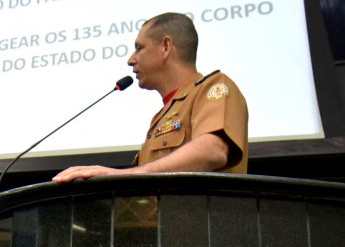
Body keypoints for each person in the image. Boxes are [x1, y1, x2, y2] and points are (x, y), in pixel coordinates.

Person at [53, 12, 248, 183]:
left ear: (165, 46)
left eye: (139, 48)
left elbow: (213, 151)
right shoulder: (163, 115)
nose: (131, 60)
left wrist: (121, 176)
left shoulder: (213, 87)